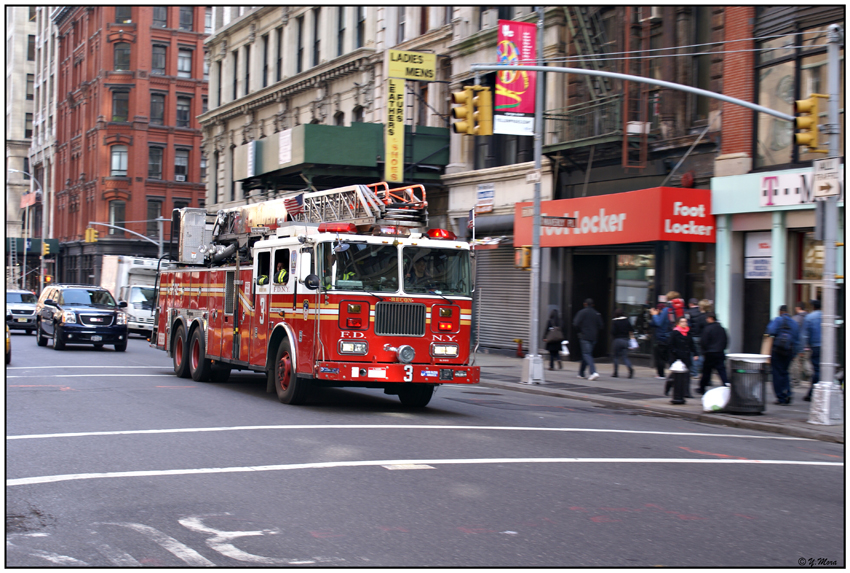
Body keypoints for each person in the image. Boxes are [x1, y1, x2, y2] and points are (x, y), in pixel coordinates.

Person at [765, 304, 801, 405]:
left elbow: (770, 331)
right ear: (788, 312)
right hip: (789, 351)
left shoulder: (777, 320)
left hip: (777, 350)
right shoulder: (794, 323)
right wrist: (794, 354)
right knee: (785, 372)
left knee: (777, 373)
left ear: (780, 312)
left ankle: (780, 397)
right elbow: (797, 340)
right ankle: (788, 392)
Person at [698, 313, 730, 393]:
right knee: (722, 370)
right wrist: (722, 348)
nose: (706, 320)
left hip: (710, 353)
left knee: (706, 371)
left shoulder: (707, 329)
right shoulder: (722, 329)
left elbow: (704, 341)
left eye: (707, 318)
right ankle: (726, 385)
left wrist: (704, 351)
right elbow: (726, 340)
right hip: (719, 352)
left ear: (710, 318)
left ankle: (702, 388)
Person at [572, 298, 603, 381]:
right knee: (586, 354)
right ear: (593, 305)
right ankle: (581, 373)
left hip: (584, 336)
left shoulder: (582, 312)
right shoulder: (597, 313)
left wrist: (580, 331)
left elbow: (575, 323)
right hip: (594, 337)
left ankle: (593, 372)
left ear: (585, 304)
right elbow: (601, 325)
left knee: (586, 354)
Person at [667, 315, 697, 398]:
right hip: (677, 357)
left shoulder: (688, 332)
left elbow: (691, 344)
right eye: (682, 322)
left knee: (687, 375)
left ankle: (686, 393)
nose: (684, 323)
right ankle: (669, 385)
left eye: (685, 322)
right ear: (678, 323)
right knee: (675, 375)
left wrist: (695, 353)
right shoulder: (674, 333)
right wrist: (675, 352)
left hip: (686, 356)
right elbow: (670, 345)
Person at [803, 299, 822, 402]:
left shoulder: (810, 317)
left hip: (815, 346)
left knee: (817, 370)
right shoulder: (826, 316)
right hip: (826, 347)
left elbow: (805, 335)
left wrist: (803, 348)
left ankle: (813, 392)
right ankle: (813, 391)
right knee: (820, 370)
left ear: (813, 307)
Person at [790, 301, 810, 388]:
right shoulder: (810, 318)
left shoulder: (795, 319)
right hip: (809, 345)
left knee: (796, 363)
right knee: (806, 361)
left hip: (798, 345)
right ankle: (811, 375)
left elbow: (793, 332)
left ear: (798, 308)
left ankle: (795, 381)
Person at [610, 308, 634, 378]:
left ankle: (615, 372)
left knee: (616, 357)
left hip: (617, 340)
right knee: (625, 357)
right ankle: (630, 368)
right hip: (625, 340)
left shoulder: (615, 322)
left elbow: (612, 332)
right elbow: (631, 329)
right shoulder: (627, 321)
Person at [686, 298, 707, 379]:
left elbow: (688, 325)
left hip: (693, 336)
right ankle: (701, 370)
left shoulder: (688, 312)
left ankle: (694, 372)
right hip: (702, 336)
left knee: (693, 354)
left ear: (690, 304)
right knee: (701, 354)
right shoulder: (702, 312)